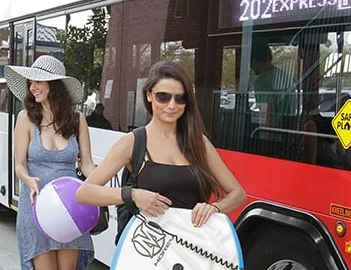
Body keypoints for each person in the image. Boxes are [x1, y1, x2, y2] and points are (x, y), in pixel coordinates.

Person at [76, 60, 246, 230]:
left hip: (190, 245)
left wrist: (214, 208)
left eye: (180, 98)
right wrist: (133, 194)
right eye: (163, 97)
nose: (172, 105)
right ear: (149, 95)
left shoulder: (198, 142)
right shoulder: (133, 142)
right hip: (147, 247)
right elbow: (85, 192)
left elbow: (238, 194)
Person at [4, 55, 96, 270]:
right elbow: (19, 164)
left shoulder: (77, 119)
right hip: (37, 207)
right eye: (31, 82)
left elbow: (86, 164)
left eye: (39, 81)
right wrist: (28, 179)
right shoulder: (25, 119)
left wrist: (105, 183)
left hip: (72, 210)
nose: (33, 87)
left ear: (55, 85)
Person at [250, 42, 297, 127]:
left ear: (254, 60)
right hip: (289, 133)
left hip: (273, 135)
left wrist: (264, 138)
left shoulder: (262, 82)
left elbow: (266, 116)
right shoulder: (288, 77)